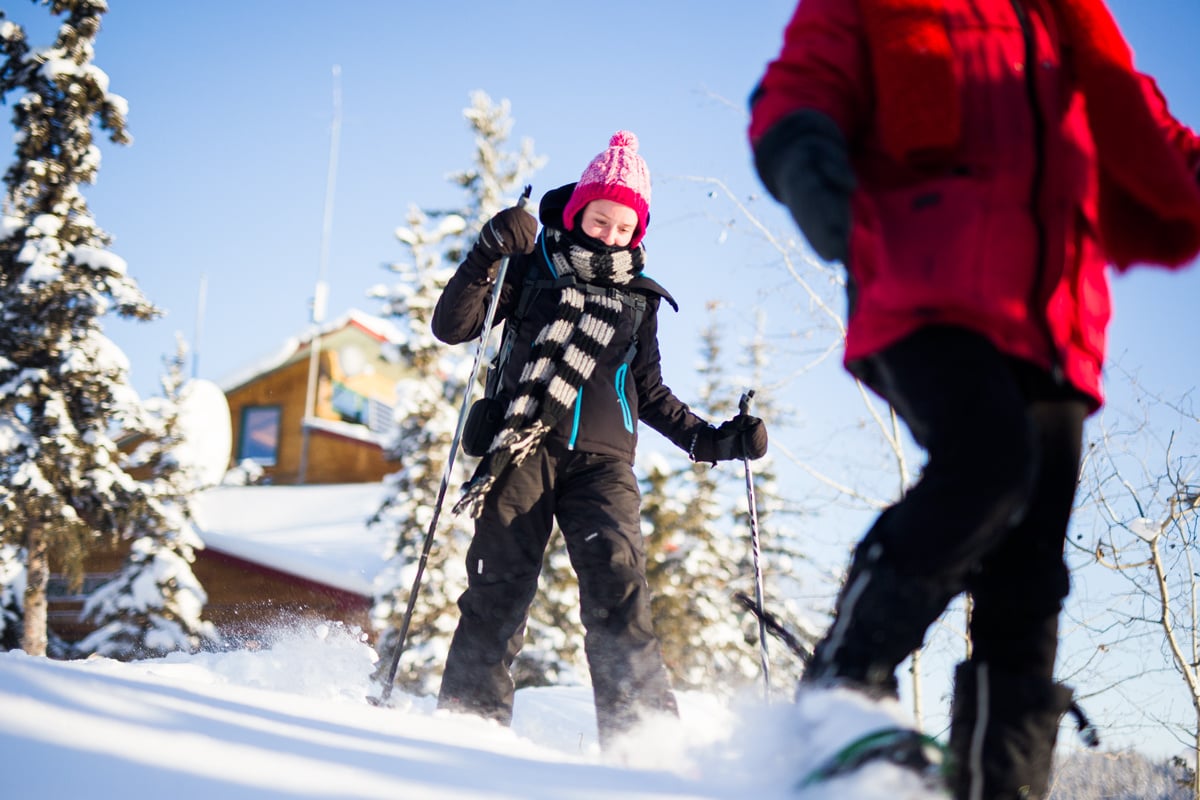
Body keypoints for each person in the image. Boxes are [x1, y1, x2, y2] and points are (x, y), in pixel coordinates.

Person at [748, 1, 1200, 797]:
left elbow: (1157, 138)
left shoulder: (1069, 22)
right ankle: (843, 685)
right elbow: (798, 89)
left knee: (1030, 573)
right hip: (920, 287)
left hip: (1055, 327)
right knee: (990, 465)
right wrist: (805, 158)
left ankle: (1002, 785)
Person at [431, 131, 769, 748]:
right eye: (600, 218)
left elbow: (653, 394)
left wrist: (716, 441)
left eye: (623, 226)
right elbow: (455, 328)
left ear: (637, 232)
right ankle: (466, 734)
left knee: (619, 590)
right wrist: (485, 254)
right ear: (579, 209)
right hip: (523, 450)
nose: (610, 233)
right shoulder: (530, 271)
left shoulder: (638, 301)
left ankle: (644, 744)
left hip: (604, 467)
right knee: (497, 590)